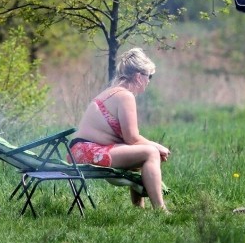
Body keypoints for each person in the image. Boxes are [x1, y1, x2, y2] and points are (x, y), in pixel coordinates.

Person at [69, 48, 171, 212]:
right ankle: (161, 210)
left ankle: (139, 210)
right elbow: (132, 138)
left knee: (139, 152)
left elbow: (130, 141)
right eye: (149, 76)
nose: (149, 81)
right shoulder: (125, 96)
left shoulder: (112, 92)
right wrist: (156, 146)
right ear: (138, 76)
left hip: (79, 150)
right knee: (150, 153)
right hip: (86, 151)